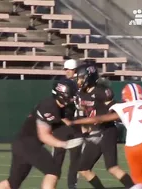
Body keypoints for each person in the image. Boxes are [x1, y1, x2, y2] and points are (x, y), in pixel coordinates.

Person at [69, 83, 142, 189]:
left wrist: (74, 122)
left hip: (131, 148)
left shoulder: (122, 107)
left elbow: (99, 119)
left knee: (140, 184)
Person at [0, 81, 84, 189]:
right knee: (53, 171)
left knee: (12, 184)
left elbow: (67, 124)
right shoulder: (48, 106)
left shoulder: (61, 108)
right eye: (71, 96)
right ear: (62, 95)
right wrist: (64, 144)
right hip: (28, 144)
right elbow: (44, 136)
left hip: (22, 144)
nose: (73, 99)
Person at [74, 63, 134, 189]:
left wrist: (100, 120)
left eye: (80, 77)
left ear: (88, 77)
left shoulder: (102, 92)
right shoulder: (81, 94)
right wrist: (85, 129)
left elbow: (114, 111)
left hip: (107, 130)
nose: (78, 81)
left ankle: (134, 187)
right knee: (84, 169)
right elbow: (83, 113)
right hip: (94, 133)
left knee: (112, 168)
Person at [52, 59, 82, 189]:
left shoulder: (81, 84)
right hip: (62, 124)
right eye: (66, 69)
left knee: (76, 158)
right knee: (57, 158)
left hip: (76, 124)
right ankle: (52, 184)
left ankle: (72, 185)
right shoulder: (61, 84)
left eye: (70, 69)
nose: (68, 72)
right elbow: (56, 105)